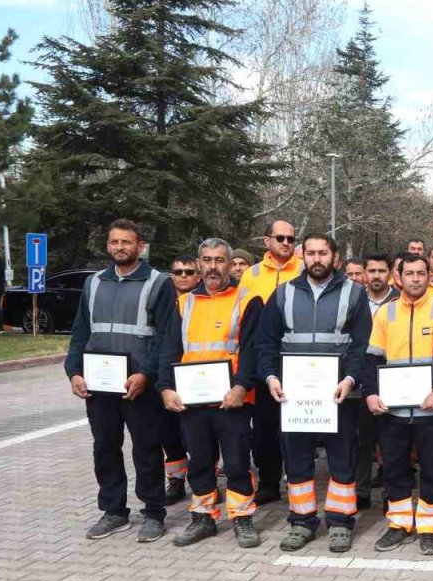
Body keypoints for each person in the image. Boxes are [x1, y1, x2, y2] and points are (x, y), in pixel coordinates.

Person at [256, 232, 371, 553]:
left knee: (341, 461)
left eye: (323, 253)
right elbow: (265, 342)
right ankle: (301, 521)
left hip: (339, 396)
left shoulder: (354, 294)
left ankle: (339, 522)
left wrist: (350, 379)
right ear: (301, 255)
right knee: (298, 461)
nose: (316, 259)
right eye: (310, 253)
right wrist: (270, 377)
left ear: (334, 257)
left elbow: (363, 345)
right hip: (294, 396)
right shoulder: (283, 294)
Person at [65, 219, 176, 542]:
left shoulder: (159, 283)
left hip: (140, 386)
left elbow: (167, 340)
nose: (119, 248)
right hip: (100, 388)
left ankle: (154, 512)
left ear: (139, 246)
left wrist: (147, 374)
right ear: (107, 246)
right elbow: (80, 332)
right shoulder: (94, 283)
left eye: (126, 242)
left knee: (146, 449)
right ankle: (114, 511)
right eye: (114, 242)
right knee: (105, 448)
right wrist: (74, 372)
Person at [157, 238, 264, 548]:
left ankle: (242, 518)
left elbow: (253, 350)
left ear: (231, 265)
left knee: (236, 462)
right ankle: (203, 518)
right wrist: (165, 388)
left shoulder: (248, 299)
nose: (213, 266)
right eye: (207, 260)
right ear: (199, 264)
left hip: (233, 400)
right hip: (193, 401)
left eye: (220, 260)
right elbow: (169, 350)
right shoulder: (184, 303)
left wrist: (242, 387)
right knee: (200, 461)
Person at [362, 253, 433, 556]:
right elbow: (372, 358)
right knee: (394, 468)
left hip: (432, 408)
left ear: (430, 276)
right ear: (398, 277)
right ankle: (399, 524)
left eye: (421, 273)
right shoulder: (386, 314)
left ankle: (429, 528)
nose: (416, 278)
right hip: (393, 410)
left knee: (431, 468)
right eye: (410, 273)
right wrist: (371, 393)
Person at [237, 219, 303, 506]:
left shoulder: (304, 270)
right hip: (262, 358)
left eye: (290, 238)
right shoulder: (250, 275)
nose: (286, 243)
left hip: (297, 359)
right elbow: (239, 319)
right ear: (267, 241)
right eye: (280, 238)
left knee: (296, 424)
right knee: (264, 426)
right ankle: (268, 482)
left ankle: (299, 480)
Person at [354, 253, 400, 509]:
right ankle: (361, 491)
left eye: (381, 271)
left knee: (390, 441)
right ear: (364, 273)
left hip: (392, 379)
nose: (376, 276)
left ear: (390, 273)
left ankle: (390, 494)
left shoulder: (399, 300)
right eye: (371, 271)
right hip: (360, 378)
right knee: (362, 440)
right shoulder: (355, 300)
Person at [160, 256, 200, 503]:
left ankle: (202, 482)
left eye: (189, 271)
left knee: (199, 438)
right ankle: (175, 481)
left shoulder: (202, 301)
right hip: (168, 377)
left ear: (199, 276)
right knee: (169, 434)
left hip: (198, 379)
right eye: (178, 271)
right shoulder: (162, 302)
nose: (183, 276)